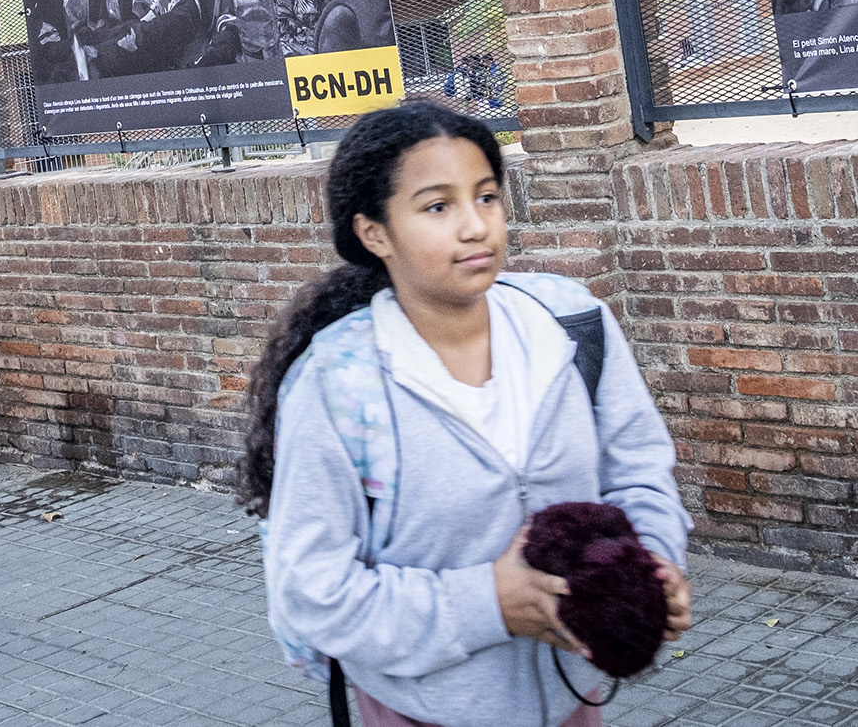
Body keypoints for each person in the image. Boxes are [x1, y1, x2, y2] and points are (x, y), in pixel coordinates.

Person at [243, 102, 693, 727]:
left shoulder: (571, 325)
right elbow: (314, 592)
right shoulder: (338, 383)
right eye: (437, 206)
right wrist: (488, 604)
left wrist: (653, 563)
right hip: (424, 712)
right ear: (374, 233)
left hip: (573, 701)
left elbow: (638, 472)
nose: (476, 226)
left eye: (486, 197)